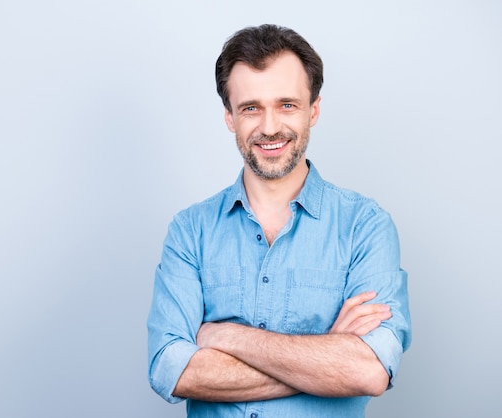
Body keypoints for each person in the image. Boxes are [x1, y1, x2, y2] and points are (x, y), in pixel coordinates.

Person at [147, 24, 411, 417]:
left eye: (287, 104)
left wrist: (225, 337)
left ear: (314, 110)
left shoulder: (365, 227)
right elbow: (171, 370)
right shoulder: (191, 231)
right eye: (250, 107)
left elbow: (369, 370)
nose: (269, 127)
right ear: (229, 117)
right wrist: (327, 353)